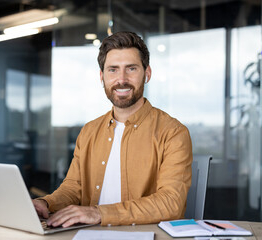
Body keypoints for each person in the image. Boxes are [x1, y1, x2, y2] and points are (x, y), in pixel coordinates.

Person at [33, 31, 193, 227]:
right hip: (89, 234)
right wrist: (46, 203)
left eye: (131, 68)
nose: (122, 79)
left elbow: (171, 203)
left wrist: (99, 213)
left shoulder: (173, 132)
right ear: (102, 77)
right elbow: (74, 188)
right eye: (113, 70)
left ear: (147, 73)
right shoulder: (89, 131)